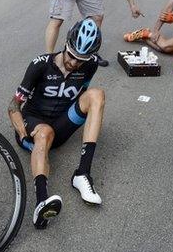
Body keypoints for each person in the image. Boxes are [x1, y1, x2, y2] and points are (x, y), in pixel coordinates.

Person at [8, 18, 106, 229]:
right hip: (34, 124)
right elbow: (13, 106)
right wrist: (24, 135)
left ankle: (82, 174)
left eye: (81, 59)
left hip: (61, 124)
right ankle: (41, 202)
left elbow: (84, 92)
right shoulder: (40, 65)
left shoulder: (91, 65)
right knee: (45, 132)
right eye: (71, 56)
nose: (74, 63)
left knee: (97, 94)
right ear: (66, 45)